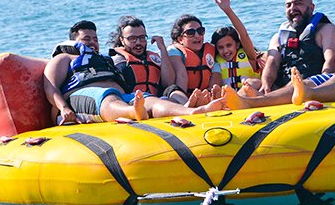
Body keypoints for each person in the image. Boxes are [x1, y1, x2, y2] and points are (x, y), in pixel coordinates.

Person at [43, 20, 224, 124]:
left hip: (121, 95)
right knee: (109, 97)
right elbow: (50, 87)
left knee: (150, 100)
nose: (92, 43)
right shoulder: (64, 58)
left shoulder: (104, 60)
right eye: (86, 39)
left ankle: (191, 112)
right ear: (73, 41)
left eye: (95, 39)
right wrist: (64, 108)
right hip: (84, 96)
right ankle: (133, 112)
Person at [259, 0, 335, 94]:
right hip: (282, 87)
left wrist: (322, 87)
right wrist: (266, 85)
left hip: (310, 86)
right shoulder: (278, 37)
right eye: (288, 5)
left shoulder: (327, 30)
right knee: (252, 83)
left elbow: (332, 61)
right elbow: (272, 64)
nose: (292, 8)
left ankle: (265, 98)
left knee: (295, 85)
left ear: (311, 7)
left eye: (298, 3)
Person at [210, 0, 262, 92]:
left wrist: (228, 10)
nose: (225, 50)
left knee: (252, 82)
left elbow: (244, 35)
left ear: (237, 44)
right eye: (221, 47)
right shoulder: (215, 62)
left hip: (249, 93)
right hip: (229, 96)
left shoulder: (249, 55)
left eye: (229, 45)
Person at [108, 15, 174, 96]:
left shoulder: (154, 59)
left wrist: (163, 49)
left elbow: (169, 84)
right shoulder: (117, 62)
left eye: (142, 38)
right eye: (132, 38)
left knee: (174, 90)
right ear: (122, 40)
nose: (138, 43)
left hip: (158, 100)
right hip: (132, 101)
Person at [166, 14, 219, 105]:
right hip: (180, 97)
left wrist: (207, 96)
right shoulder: (173, 51)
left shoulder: (211, 51)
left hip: (204, 97)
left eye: (200, 31)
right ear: (180, 39)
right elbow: (181, 75)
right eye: (190, 33)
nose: (197, 35)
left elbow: (216, 79)